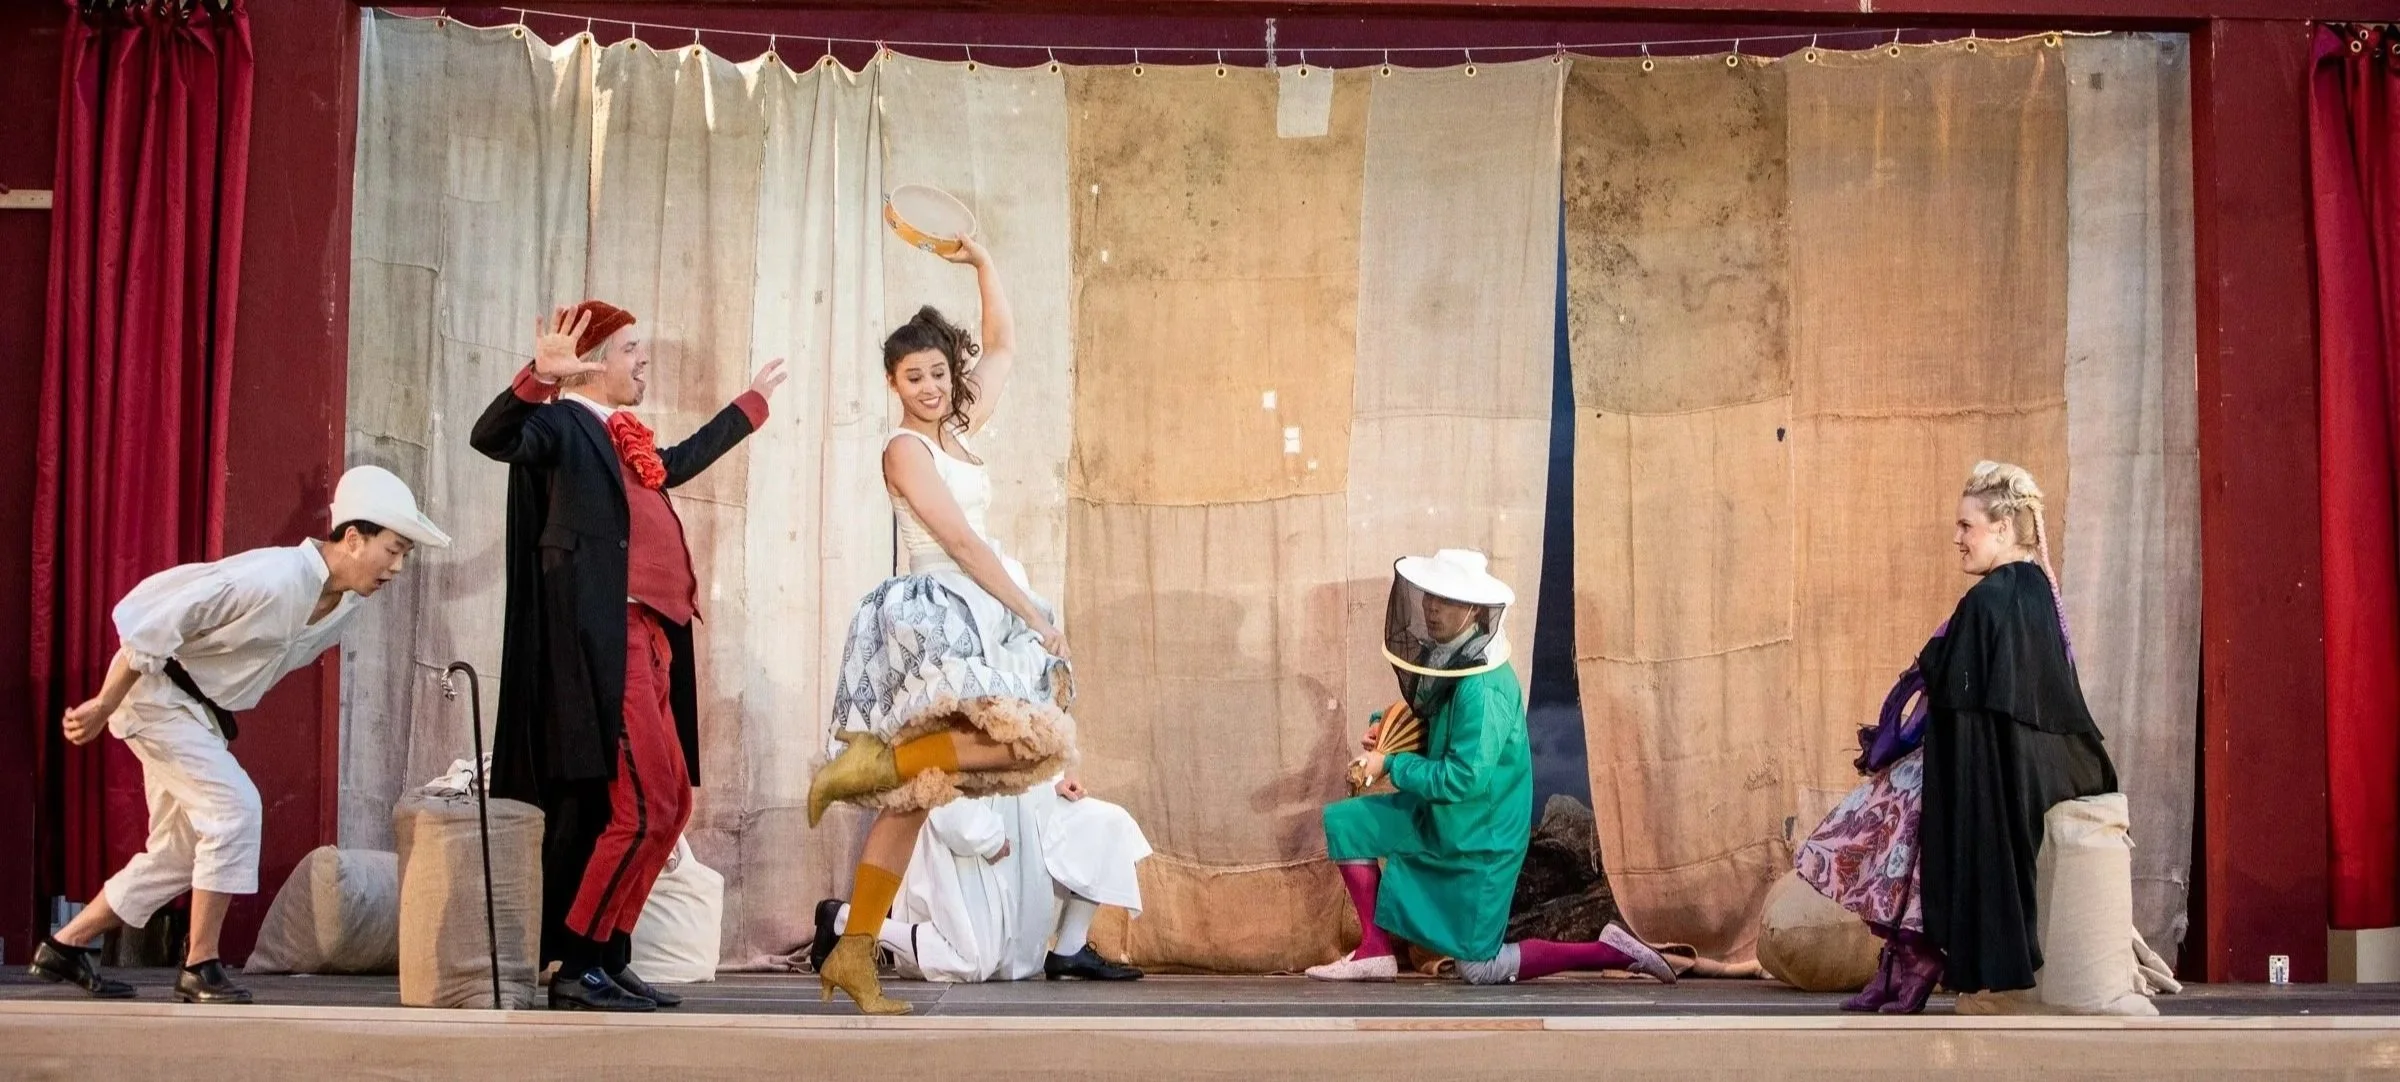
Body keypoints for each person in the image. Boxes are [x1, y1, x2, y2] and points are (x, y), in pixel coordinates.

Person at [30, 466, 450, 1005]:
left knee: (180, 852)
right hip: (157, 695)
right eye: (392, 550)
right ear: (352, 538)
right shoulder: (274, 577)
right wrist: (104, 703)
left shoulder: (345, 606)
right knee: (235, 810)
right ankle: (200, 964)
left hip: (199, 713)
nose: (397, 567)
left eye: (404, 555)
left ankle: (65, 945)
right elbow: (159, 621)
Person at [471, 302, 787, 1012]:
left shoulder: (624, 438)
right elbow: (493, 437)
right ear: (590, 363)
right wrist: (538, 378)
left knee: (671, 803)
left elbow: (676, 464)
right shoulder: (562, 424)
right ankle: (577, 963)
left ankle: (610, 954)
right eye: (629, 349)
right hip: (609, 640)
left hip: (653, 636)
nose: (643, 359)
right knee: (642, 804)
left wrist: (750, 406)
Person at [806, 238, 1075, 1015]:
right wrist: (1032, 613)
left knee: (914, 797)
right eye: (913, 377)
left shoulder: (959, 426)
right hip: (941, 611)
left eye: (938, 374)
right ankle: (872, 763)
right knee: (1031, 741)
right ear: (892, 383)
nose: (929, 387)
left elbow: (1004, 344)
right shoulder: (904, 448)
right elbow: (958, 541)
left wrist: (983, 262)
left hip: (981, 606)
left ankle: (854, 950)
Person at [1797, 460, 2118, 1014]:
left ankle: (1912, 951)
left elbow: (1962, 703)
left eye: (1967, 526)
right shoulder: (2035, 589)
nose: (1957, 538)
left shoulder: (1992, 600)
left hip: (2001, 773)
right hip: (2034, 766)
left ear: (2002, 528)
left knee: (1877, 815)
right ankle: (1903, 956)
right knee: (1896, 804)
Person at [1305, 549, 1677, 988]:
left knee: (1479, 968)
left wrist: (1391, 763)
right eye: (1430, 597)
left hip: (1483, 836)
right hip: (1445, 815)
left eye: (1447, 600)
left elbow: (1464, 777)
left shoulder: (1483, 687)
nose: (1432, 608)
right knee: (1348, 822)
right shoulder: (1453, 656)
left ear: (1475, 611)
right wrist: (1383, 728)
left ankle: (1610, 951)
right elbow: (1431, 717)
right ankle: (1374, 951)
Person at [808, 774, 1149, 984]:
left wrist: (1050, 782)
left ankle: (1069, 951)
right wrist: (988, 837)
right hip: (968, 829)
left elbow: (1026, 737)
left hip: (1021, 811)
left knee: (1108, 825)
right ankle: (843, 920)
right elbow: (943, 783)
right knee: (969, 960)